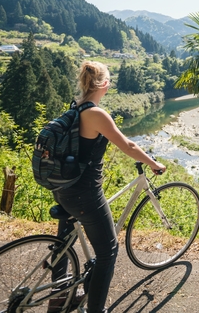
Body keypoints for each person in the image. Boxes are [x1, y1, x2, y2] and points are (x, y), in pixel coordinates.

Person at [51, 60, 166, 313]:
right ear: (103, 84)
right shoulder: (95, 114)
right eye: (109, 80)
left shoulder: (75, 107)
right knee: (108, 252)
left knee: (64, 245)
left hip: (63, 188)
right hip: (85, 194)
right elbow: (129, 147)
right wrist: (154, 163)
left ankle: (57, 299)